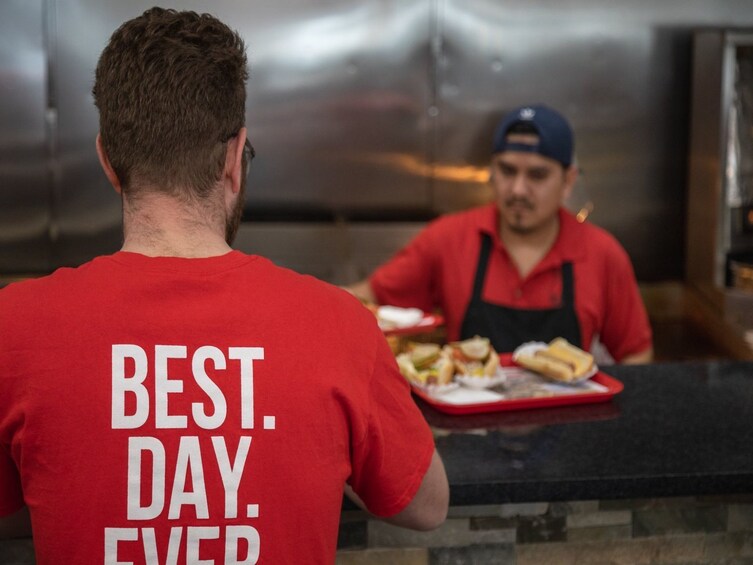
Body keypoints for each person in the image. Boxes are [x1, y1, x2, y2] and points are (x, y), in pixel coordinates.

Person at [0, 8, 448, 564]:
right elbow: (427, 506)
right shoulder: (340, 325)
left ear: (108, 161)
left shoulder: (13, 327)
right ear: (236, 156)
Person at [349, 104, 653, 364]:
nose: (518, 189)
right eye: (507, 171)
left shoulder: (601, 253)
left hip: (571, 427)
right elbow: (366, 298)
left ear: (568, 181)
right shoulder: (449, 238)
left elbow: (636, 353)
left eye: (537, 175)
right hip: (470, 425)